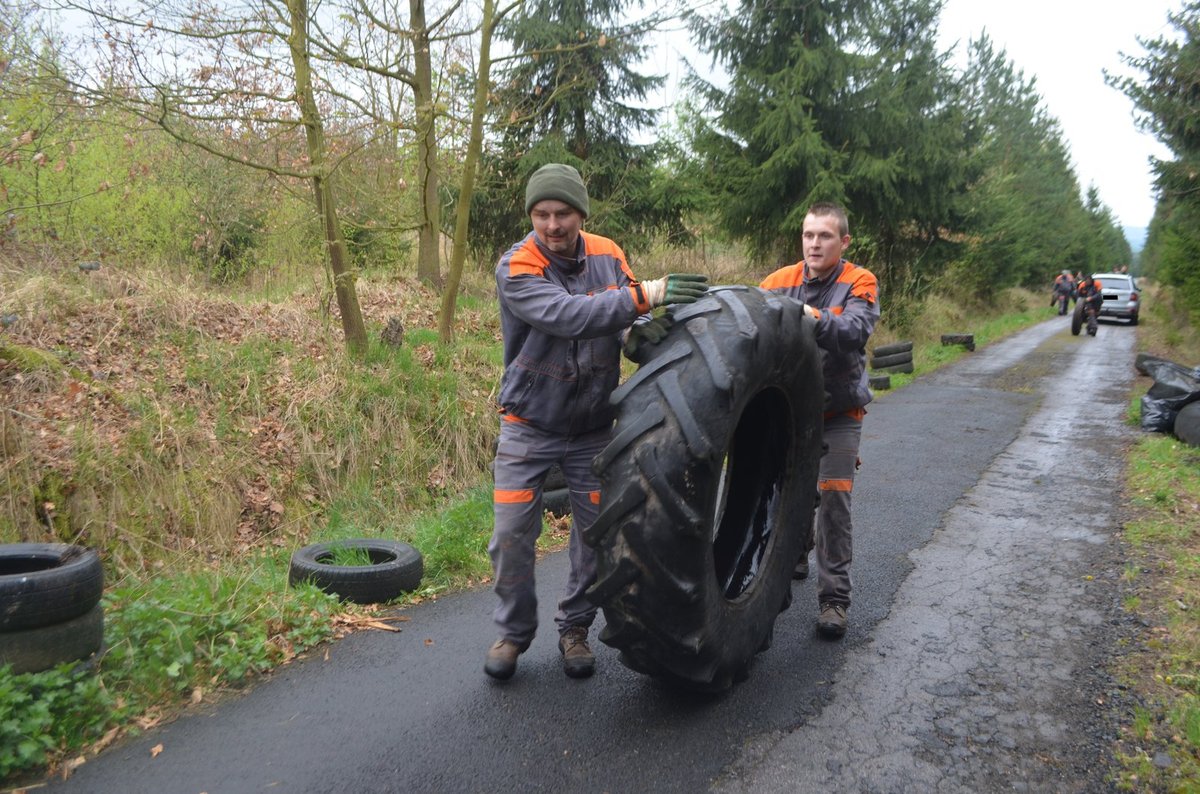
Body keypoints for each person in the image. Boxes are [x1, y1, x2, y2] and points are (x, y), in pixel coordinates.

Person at [486, 163, 708, 680]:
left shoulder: (607, 254)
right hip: (528, 427)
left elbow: (629, 318)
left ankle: (574, 630)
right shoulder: (517, 265)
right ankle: (513, 634)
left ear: (581, 213)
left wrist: (641, 334)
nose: (552, 225)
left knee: (595, 537)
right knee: (511, 535)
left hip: (591, 430)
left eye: (562, 213)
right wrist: (646, 294)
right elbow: (568, 315)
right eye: (541, 214)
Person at [759, 202, 879, 638]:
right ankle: (792, 553)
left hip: (838, 410)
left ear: (843, 242)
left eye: (825, 236)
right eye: (809, 235)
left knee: (833, 499)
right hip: (790, 411)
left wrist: (809, 317)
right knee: (783, 492)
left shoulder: (859, 281)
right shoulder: (778, 282)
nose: (814, 243)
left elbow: (853, 333)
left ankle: (834, 600)